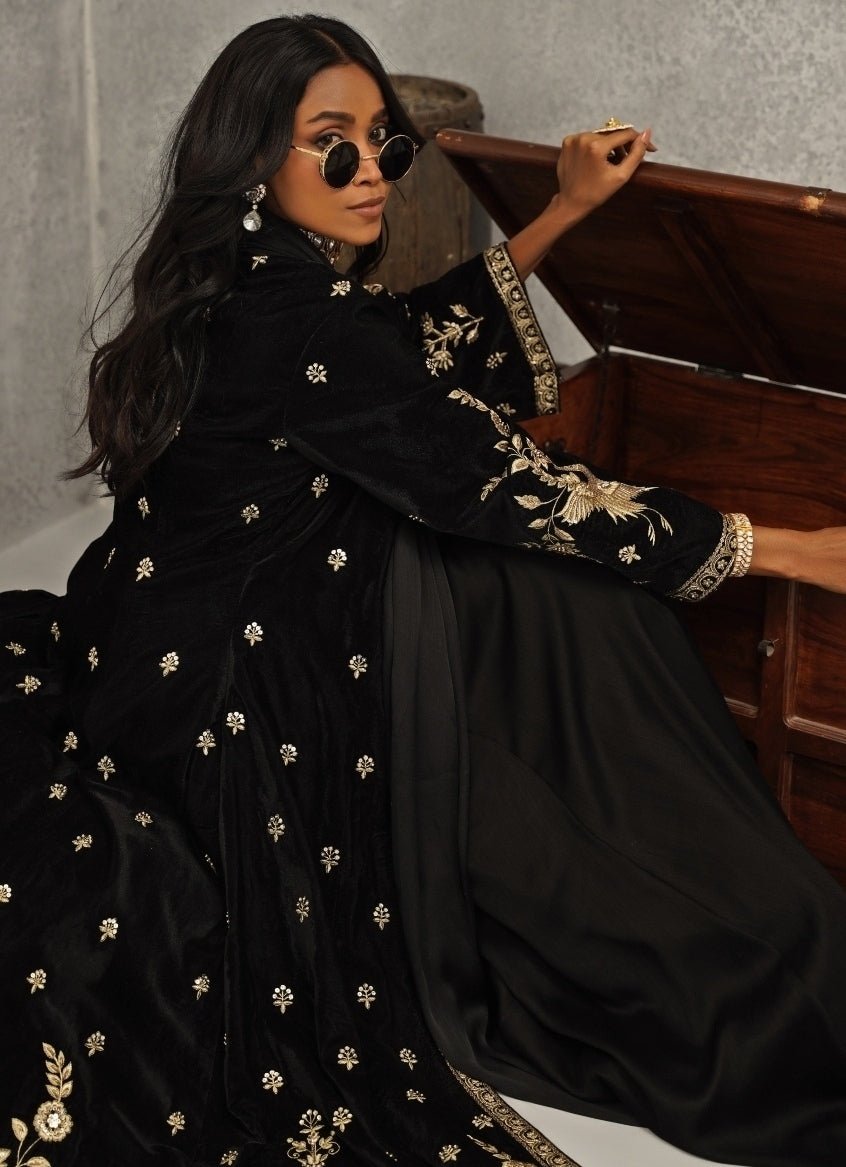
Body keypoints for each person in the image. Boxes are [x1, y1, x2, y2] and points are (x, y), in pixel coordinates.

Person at [1, 13, 845, 1167]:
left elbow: (407, 345)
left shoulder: (246, 282)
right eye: (333, 144)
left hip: (143, 646)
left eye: (387, 146)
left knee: (500, 568)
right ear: (253, 154)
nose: (372, 174)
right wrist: (793, 550)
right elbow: (511, 483)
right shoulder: (301, 319)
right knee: (547, 583)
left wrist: (561, 211)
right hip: (230, 704)